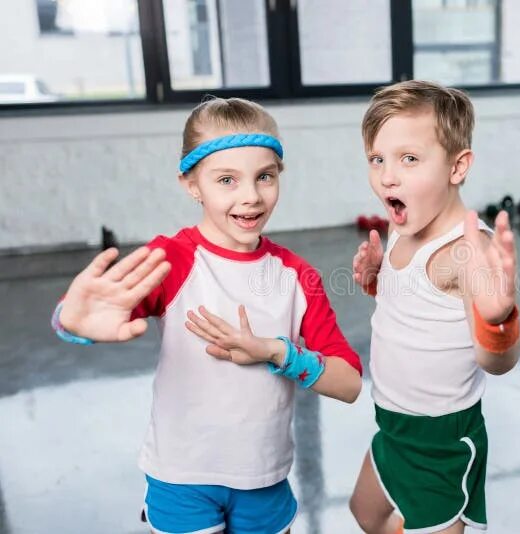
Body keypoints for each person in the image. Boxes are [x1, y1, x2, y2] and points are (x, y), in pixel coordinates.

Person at [51, 97, 362, 534]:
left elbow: (348, 382)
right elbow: (94, 312)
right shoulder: (171, 259)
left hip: (265, 478)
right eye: (227, 180)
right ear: (192, 184)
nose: (251, 196)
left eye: (265, 177)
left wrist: (278, 353)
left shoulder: (297, 276)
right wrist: (73, 322)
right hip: (182, 477)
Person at [348, 80, 520, 534]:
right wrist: (377, 279)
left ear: (457, 166)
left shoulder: (466, 254)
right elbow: (418, 306)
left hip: (440, 441)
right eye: (377, 159)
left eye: (409, 159)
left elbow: (497, 362)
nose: (388, 176)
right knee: (366, 513)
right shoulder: (401, 227)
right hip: (392, 426)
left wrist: (497, 319)